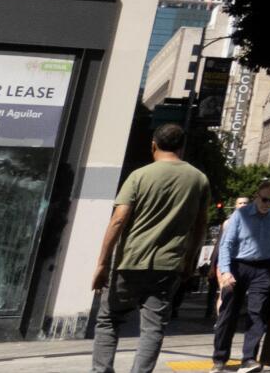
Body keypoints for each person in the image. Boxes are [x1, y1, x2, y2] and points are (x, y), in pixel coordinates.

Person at [91, 123, 211, 373]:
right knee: (153, 328)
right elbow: (201, 226)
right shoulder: (199, 179)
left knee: (108, 320)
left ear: (153, 145)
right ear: (182, 147)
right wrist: (190, 260)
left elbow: (118, 220)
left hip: (129, 262)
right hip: (168, 266)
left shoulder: (139, 176)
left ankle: (101, 370)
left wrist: (102, 263)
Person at [212, 179, 270, 371]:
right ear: (256, 197)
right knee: (228, 313)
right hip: (238, 265)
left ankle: (249, 359)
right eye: (265, 199)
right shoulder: (240, 215)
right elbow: (226, 244)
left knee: (257, 313)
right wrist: (225, 272)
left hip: (264, 268)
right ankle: (219, 358)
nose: (268, 204)